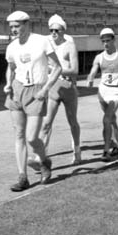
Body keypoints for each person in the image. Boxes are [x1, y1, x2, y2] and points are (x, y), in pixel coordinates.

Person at [3, 11, 62, 191]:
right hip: (17, 90)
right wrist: (7, 84)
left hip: (37, 90)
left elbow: (58, 67)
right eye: (11, 27)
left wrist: (45, 90)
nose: (14, 30)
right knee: (19, 134)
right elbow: (11, 68)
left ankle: (44, 161)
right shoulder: (12, 47)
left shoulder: (41, 41)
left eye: (17, 26)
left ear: (27, 25)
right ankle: (23, 177)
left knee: (31, 137)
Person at [87, 28, 118, 160]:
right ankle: (117, 144)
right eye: (103, 41)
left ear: (114, 40)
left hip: (116, 91)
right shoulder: (99, 57)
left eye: (108, 41)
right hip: (103, 90)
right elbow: (93, 69)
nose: (106, 44)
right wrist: (90, 78)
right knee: (111, 119)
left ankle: (105, 150)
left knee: (106, 119)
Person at [40, 14, 82, 165]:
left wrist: (57, 70)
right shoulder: (47, 46)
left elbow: (75, 70)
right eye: (51, 30)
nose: (53, 33)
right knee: (46, 123)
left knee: (72, 121)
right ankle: (42, 157)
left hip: (67, 86)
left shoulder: (69, 46)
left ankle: (77, 151)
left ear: (63, 31)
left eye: (57, 30)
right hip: (53, 88)